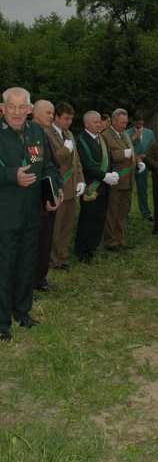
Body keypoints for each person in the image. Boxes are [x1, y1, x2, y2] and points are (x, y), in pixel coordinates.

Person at [0, 87, 61, 341]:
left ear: (28, 109)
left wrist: (52, 191)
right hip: (5, 216)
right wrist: (10, 175)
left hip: (32, 214)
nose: (16, 112)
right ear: (2, 109)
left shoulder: (37, 132)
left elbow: (48, 166)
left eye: (21, 107)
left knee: (27, 264)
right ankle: (2, 323)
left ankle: (22, 311)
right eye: (10, 106)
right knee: (4, 268)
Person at [74, 110, 118, 263]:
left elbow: (109, 159)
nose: (99, 124)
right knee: (88, 219)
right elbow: (86, 165)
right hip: (90, 186)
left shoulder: (101, 138)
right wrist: (104, 176)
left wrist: (113, 172)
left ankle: (93, 247)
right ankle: (83, 251)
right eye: (95, 122)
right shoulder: (81, 140)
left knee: (100, 218)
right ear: (86, 124)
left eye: (100, 121)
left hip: (104, 186)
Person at [49, 102, 85, 271]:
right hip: (57, 185)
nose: (69, 122)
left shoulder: (69, 133)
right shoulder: (47, 133)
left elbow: (76, 160)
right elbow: (52, 160)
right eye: (65, 118)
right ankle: (52, 259)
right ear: (56, 117)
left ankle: (62, 257)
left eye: (71, 119)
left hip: (71, 185)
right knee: (56, 225)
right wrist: (65, 149)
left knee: (67, 224)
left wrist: (81, 179)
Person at [102, 108, 145, 251]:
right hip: (115, 180)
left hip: (128, 179)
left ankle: (119, 239)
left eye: (126, 123)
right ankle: (110, 241)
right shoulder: (105, 135)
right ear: (113, 121)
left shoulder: (125, 134)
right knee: (112, 212)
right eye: (121, 123)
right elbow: (107, 156)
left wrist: (137, 162)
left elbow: (131, 152)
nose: (124, 125)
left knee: (123, 211)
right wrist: (122, 154)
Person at [32, 99, 63, 291]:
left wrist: (57, 188)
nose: (52, 116)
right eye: (48, 113)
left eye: (52, 113)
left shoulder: (44, 134)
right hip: (33, 199)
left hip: (47, 196)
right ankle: (30, 281)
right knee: (34, 242)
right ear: (34, 113)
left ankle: (40, 278)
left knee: (45, 238)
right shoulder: (28, 134)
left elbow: (51, 165)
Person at [127, 113, 154, 221]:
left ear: (143, 121)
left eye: (141, 121)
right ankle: (125, 212)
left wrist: (145, 156)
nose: (139, 123)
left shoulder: (149, 133)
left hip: (144, 164)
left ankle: (145, 213)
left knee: (142, 189)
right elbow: (124, 147)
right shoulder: (127, 133)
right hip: (130, 165)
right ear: (133, 121)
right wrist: (133, 139)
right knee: (128, 189)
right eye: (137, 121)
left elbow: (153, 147)